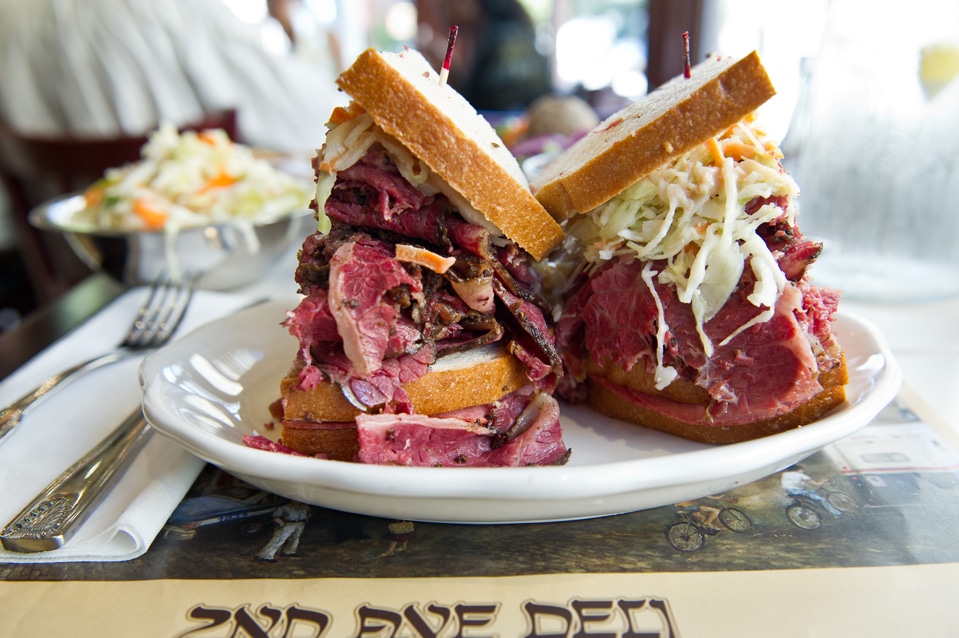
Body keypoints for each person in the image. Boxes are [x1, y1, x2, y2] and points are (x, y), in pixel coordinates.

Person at [0, 0, 345, 153]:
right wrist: (292, 30)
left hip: (72, 277)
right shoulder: (171, 7)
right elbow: (315, 121)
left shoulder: (8, 14)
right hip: (200, 270)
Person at [419, 0, 552, 111]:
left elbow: (488, 112)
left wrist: (453, 78)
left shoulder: (507, 42)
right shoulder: (491, 37)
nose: (439, 8)